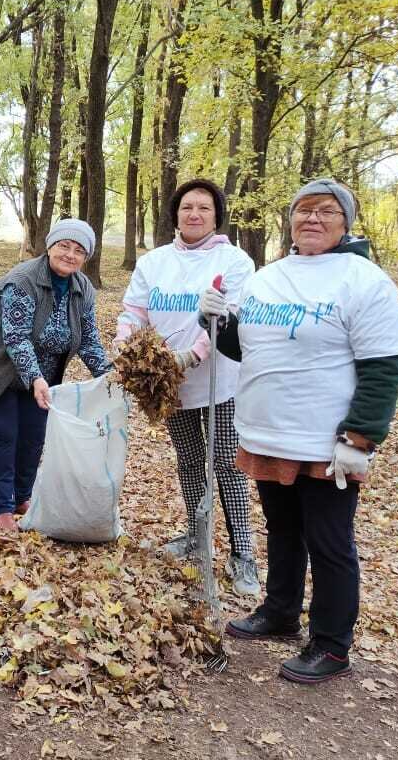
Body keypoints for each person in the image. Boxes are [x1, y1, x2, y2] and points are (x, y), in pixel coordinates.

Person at [200, 178, 398, 684]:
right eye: (304, 210)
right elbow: (248, 349)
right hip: (269, 432)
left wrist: (361, 437)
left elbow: (384, 366)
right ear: (290, 220)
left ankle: (332, 645)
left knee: (329, 540)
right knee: (283, 528)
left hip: (325, 441)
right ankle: (280, 611)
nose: (312, 219)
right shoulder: (268, 277)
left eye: (326, 211)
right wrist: (215, 321)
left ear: (345, 223)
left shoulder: (364, 281)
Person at [114, 179, 259, 596]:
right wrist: (126, 348)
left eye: (204, 208)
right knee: (190, 461)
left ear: (217, 215)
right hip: (168, 387)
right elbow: (133, 310)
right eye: (187, 207)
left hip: (219, 383)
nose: (194, 214)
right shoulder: (154, 262)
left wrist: (191, 356)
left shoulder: (234, 261)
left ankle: (242, 553)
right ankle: (198, 537)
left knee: (228, 465)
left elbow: (229, 316)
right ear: (175, 214)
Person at [0, 218, 113, 531]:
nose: (70, 254)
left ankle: (21, 497)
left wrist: (109, 375)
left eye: (79, 250)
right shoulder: (24, 279)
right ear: (50, 246)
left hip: (40, 375)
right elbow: (16, 337)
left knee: (32, 436)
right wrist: (35, 378)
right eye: (64, 246)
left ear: (87, 257)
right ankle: (2, 508)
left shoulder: (83, 289)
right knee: (3, 434)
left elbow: (88, 338)